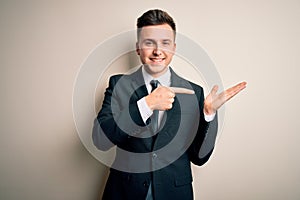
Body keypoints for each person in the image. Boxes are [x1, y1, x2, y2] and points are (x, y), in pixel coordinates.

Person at [92, 9, 246, 200]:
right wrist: (146, 104)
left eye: (165, 43)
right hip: (125, 192)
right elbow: (100, 140)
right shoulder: (118, 85)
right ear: (138, 47)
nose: (158, 51)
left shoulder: (194, 92)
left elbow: (200, 157)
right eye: (149, 43)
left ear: (173, 47)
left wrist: (208, 115)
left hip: (175, 193)